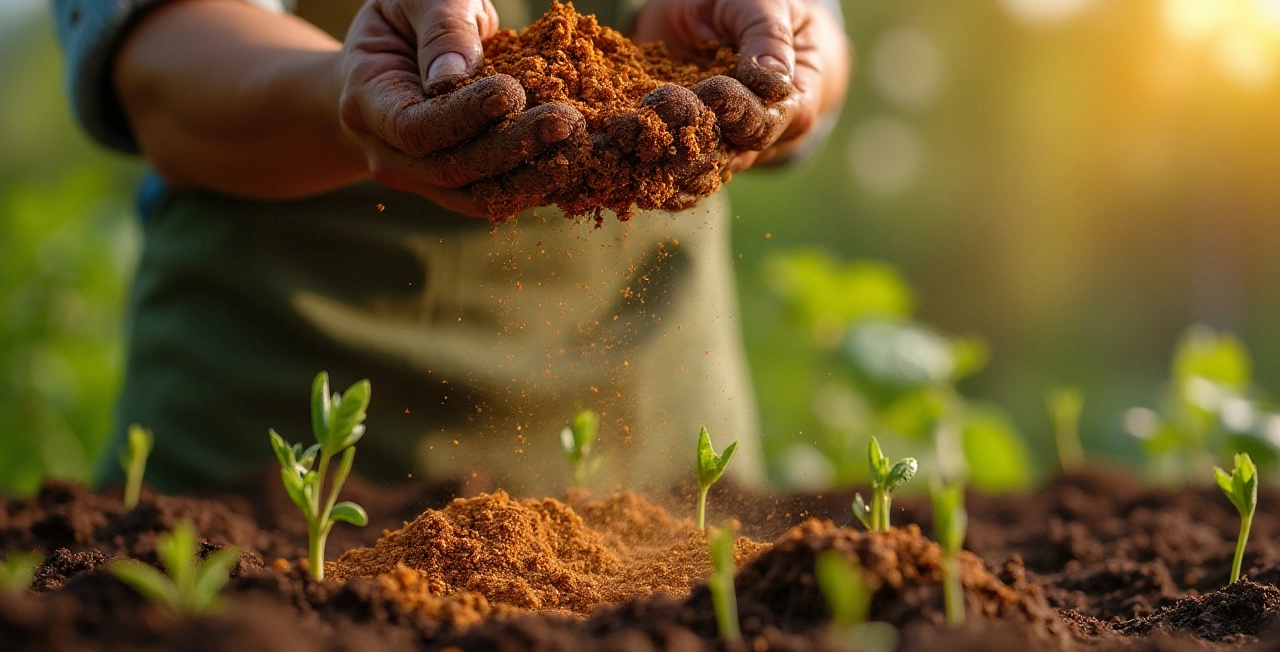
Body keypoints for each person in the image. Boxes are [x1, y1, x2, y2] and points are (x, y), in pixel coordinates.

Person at [53, 0, 850, 494]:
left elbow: (814, 37)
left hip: (655, 471)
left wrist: (767, 54)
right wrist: (341, 93)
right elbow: (156, 68)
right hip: (271, 478)